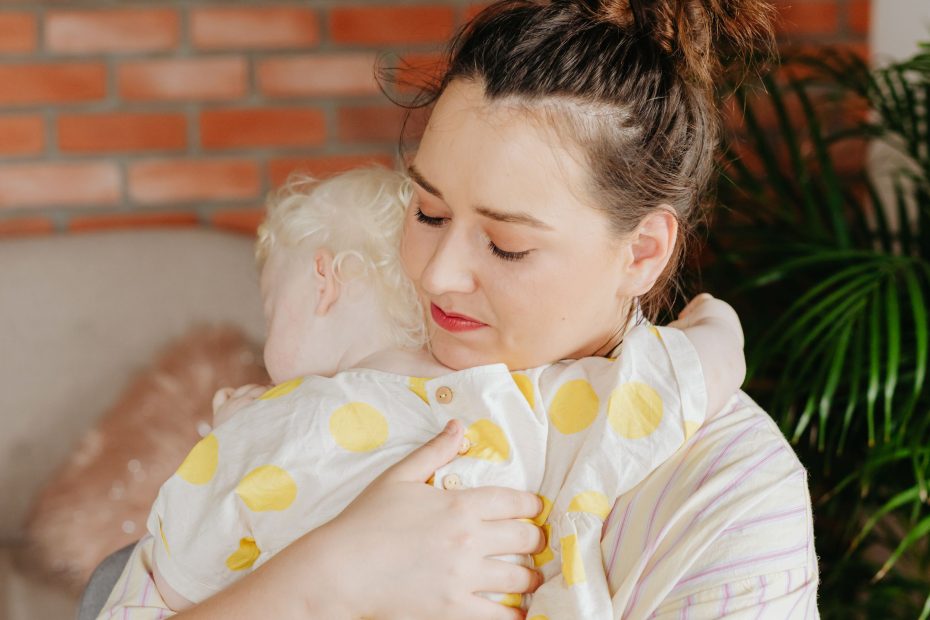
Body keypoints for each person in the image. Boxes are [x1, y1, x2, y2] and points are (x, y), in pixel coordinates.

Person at [97, 0, 818, 618]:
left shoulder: (728, 488)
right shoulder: (354, 393)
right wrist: (326, 577)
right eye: (428, 213)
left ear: (642, 253)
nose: (437, 275)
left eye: (506, 246)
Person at [100, 164, 743, 619]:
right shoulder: (519, 394)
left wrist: (227, 445)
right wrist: (713, 321)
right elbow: (675, 383)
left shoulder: (265, 426)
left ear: (323, 281)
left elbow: (163, 587)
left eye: (272, 309)